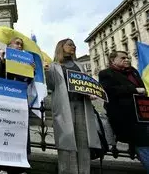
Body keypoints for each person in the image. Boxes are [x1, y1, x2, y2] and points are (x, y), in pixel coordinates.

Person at [45, 38, 100, 174]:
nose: (73, 46)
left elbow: (85, 83)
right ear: (61, 47)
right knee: (67, 139)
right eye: (69, 44)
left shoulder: (79, 65)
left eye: (74, 44)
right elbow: (51, 86)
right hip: (64, 106)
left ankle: (84, 171)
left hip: (81, 104)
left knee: (83, 140)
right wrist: (46, 72)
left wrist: (90, 92)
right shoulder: (53, 66)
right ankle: (67, 171)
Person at [99, 51, 149, 171]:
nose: (127, 60)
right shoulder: (106, 73)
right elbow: (109, 91)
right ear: (112, 60)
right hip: (125, 117)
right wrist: (134, 89)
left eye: (128, 58)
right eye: (123, 58)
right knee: (142, 144)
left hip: (142, 114)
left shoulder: (134, 72)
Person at [0, 37, 31, 174]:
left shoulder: (26, 61)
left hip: (20, 102)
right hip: (5, 101)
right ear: (10, 46)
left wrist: (32, 70)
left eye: (21, 44)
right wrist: (2, 62)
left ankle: (20, 167)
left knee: (20, 134)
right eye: (17, 43)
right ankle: (2, 167)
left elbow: (27, 82)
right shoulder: (1, 57)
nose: (20, 46)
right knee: (4, 132)